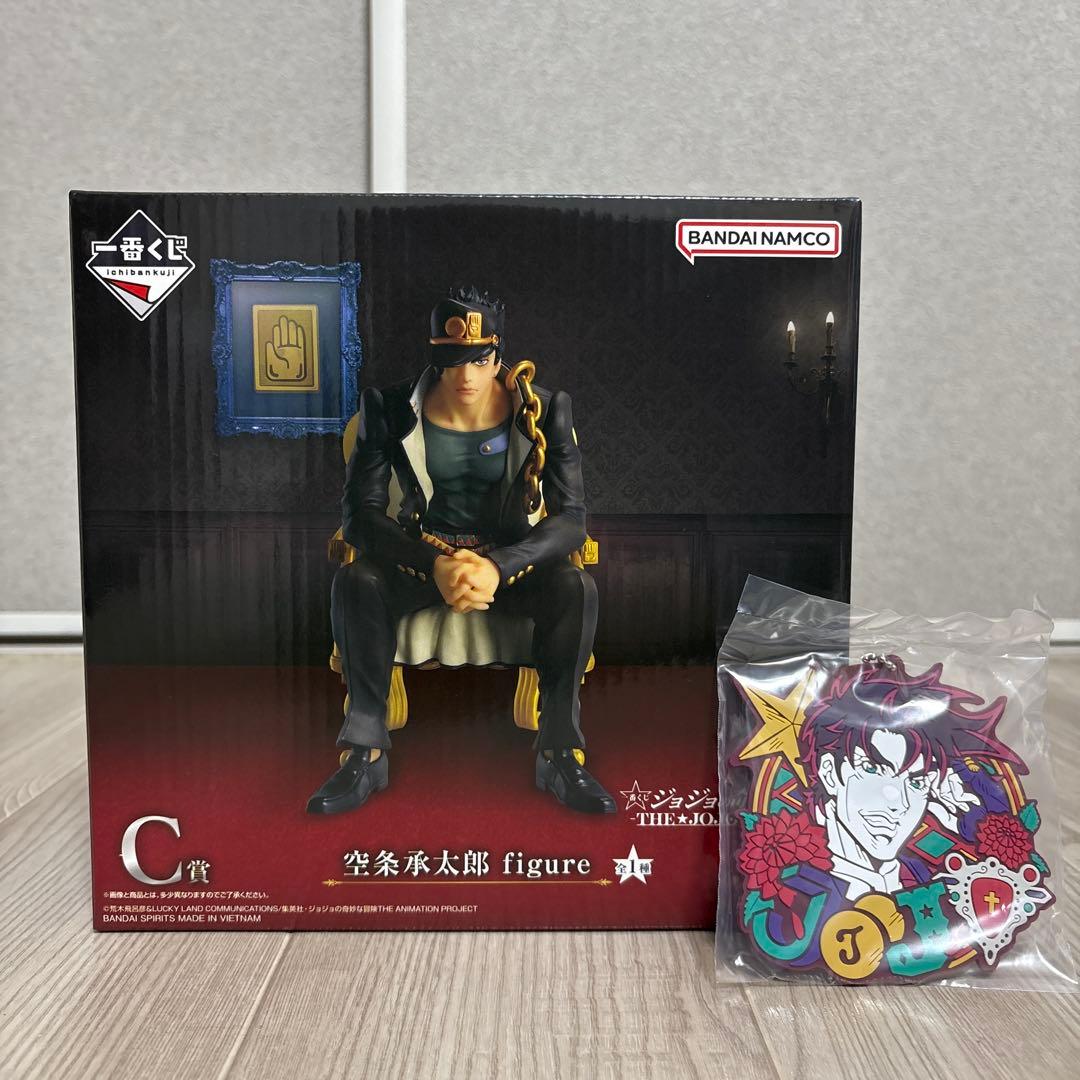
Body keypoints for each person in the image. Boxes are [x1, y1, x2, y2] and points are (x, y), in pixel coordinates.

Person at [306, 287, 616, 816]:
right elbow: (360, 516)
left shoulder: (545, 409)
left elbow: (572, 520)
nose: (466, 376)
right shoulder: (388, 407)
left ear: (499, 354)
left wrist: (498, 566)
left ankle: (561, 753)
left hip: (506, 565)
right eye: (452, 362)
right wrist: (435, 565)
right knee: (356, 581)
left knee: (574, 586)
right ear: (434, 358)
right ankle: (364, 753)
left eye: (479, 360)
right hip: (422, 559)